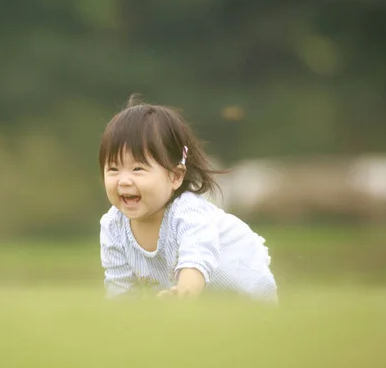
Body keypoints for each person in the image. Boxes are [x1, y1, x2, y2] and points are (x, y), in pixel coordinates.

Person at [98, 95, 278, 302]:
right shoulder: (113, 225)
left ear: (175, 176)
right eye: (113, 169)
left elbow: (196, 260)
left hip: (248, 295)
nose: (123, 181)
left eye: (138, 169)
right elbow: (120, 290)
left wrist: (183, 293)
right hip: (202, 307)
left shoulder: (188, 212)